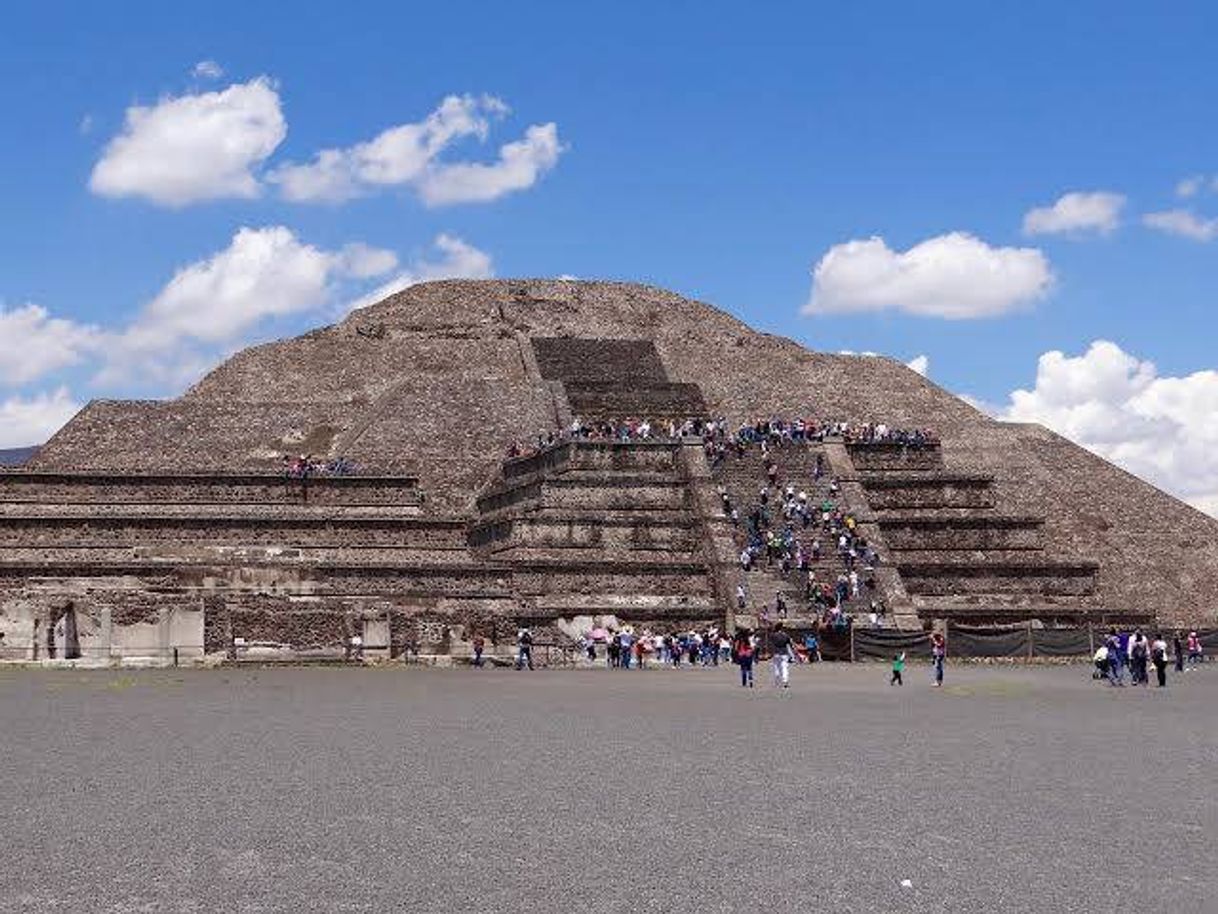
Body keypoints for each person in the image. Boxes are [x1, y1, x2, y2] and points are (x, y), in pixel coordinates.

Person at [771, 623, 793, 689]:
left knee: (776, 667)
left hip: (776, 653)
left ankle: (777, 681)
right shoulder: (786, 635)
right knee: (784, 668)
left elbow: (771, 642)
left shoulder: (773, 635)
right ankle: (785, 681)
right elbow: (790, 644)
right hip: (784, 653)